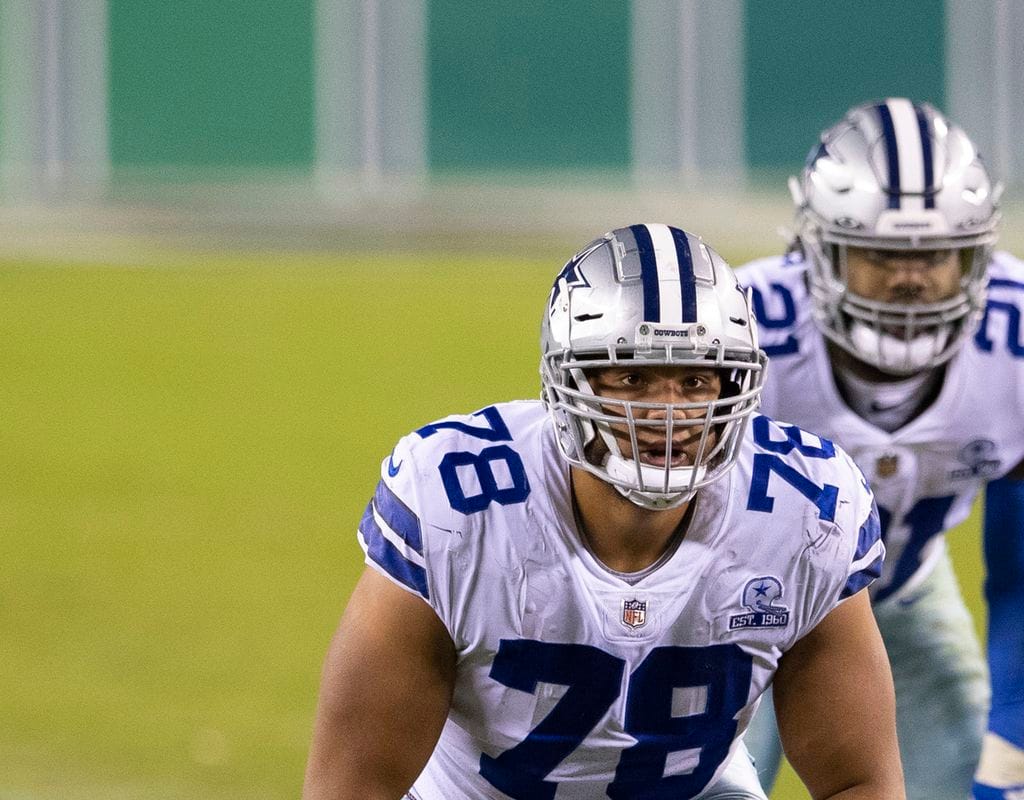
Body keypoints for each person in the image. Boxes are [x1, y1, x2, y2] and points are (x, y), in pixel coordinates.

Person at [303, 223, 905, 799]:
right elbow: (352, 784)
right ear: (571, 384)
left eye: (696, 381)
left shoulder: (806, 509)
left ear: (735, 387)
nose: (667, 412)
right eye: (633, 377)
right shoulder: (458, 504)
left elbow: (860, 782)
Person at [737, 98, 1024, 800]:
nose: (913, 277)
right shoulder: (743, 335)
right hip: (734, 613)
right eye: (882, 254)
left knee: (981, 785)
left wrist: (1015, 753)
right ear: (821, 252)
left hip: (899, 593)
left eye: (936, 253)